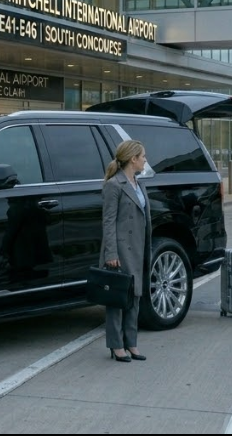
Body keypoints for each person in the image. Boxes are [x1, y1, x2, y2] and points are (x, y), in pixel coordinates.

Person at [99, 139, 151, 362]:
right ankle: (116, 345)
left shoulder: (139, 184)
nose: (145, 160)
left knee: (135, 296)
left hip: (138, 247)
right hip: (120, 249)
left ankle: (131, 343)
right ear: (133, 159)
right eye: (143, 157)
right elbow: (108, 221)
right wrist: (111, 253)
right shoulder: (114, 185)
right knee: (117, 298)